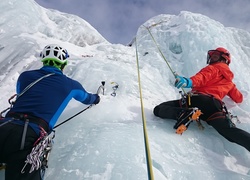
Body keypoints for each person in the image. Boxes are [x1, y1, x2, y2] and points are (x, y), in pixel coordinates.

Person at [0, 44, 100, 180]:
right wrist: (97, 98)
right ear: (63, 64)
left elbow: (21, 95)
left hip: (5, 125)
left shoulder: (25, 77)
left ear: (43, 60)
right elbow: (87, 98)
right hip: (30, 134)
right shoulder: (71, 85)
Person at [154, 47, 250, 151]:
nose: (212, 59)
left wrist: (189, 82)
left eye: (215, 56)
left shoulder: (213, 68)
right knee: (229, 131)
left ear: (224, 59)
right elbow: (239, 98)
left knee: (159, 109)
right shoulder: (230, 83)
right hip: (214, 107)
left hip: (198, 100)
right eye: (212, 56)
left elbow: (202, 77)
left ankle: (182, 113)